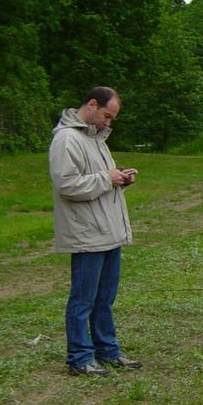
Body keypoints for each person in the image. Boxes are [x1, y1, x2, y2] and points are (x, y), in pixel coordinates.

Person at [48, 86, 142, 377]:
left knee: (104, 298)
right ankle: (79, 357)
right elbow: (67, 185)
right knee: (83, 300)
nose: (107, 123)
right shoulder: (66, 140)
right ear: (91, 104)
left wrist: (119, 178)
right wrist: (106, 178)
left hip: (107, 232)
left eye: (111, 118)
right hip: (87, 234)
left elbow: (99, 179)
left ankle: (107, 351)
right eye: (106, 115)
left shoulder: (95, 139)